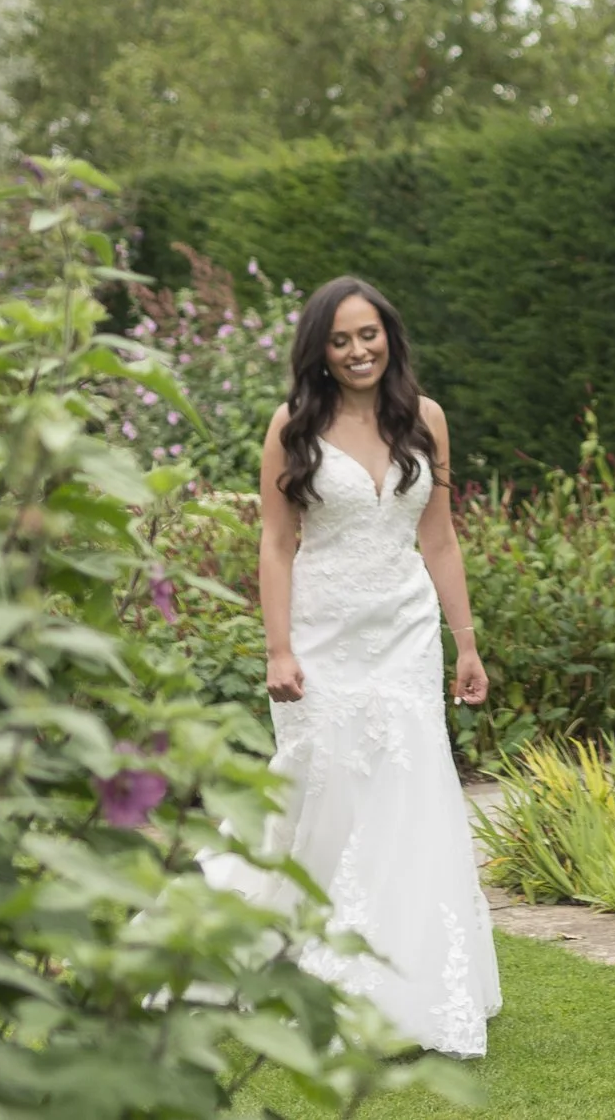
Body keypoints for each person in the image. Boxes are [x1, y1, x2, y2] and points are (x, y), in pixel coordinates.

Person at [203, 276, 501, 1056]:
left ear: (390, 336)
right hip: (321, 630)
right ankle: (293, 948)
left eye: (369, 334)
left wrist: (465, 642)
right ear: (320, 352)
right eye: (340, 339)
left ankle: (407, 971)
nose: (358, 349)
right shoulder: (292, 425)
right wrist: (278, 647)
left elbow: (438, 538)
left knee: (410, 784)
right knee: (326, 785)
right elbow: (274, 540)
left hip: (405, 630)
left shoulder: (425, 418)